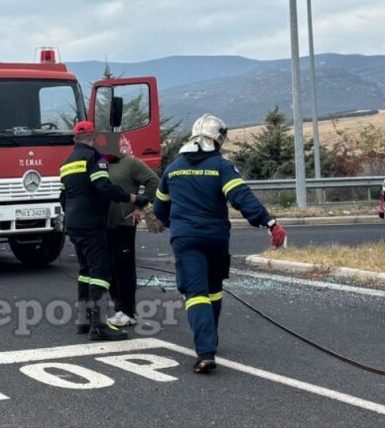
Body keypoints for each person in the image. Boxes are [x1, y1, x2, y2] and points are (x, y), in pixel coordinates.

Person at [153, 113, 287, 373]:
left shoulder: (172, 169)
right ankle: (209, 340)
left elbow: (160, 210)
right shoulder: (221, 166)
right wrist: (269, 223)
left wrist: (176, 224)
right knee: (213, 290)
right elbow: (241, 196)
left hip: (185, 238)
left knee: (195, 294)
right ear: (218, 138)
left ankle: (205, 350)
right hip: (215, 237)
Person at [60, 121, 149, 341]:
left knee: (85, 270)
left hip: (73, 222)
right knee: (101, 273)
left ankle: (84, 319)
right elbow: (104, 188)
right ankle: (98, 325)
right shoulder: (94, 159)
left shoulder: (67, 162)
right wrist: (133, 198)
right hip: (92, 223)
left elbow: (63, 197)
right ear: (92, 137)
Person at [101, 141, 159, 328]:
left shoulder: (131, 163)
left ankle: (128, 311)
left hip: (123, 223)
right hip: (103, 225)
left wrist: (138, 207)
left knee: (124, 268)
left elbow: (154, 181)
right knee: (109, 268)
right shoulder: (101, 164)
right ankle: (119, 308)